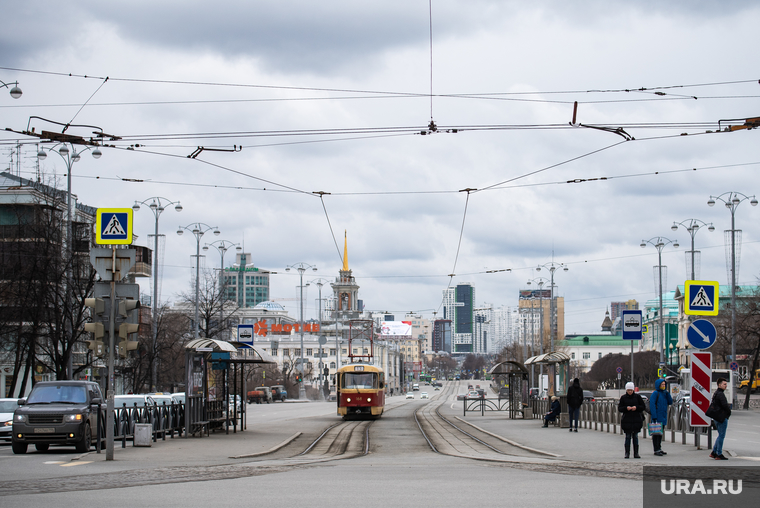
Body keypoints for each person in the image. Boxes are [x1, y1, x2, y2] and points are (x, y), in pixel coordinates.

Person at [618, 382, 645, 459]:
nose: (630, 392)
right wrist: (626, 408)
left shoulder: (637, 397)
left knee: (635, 437)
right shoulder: (623, 398)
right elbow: (620, 408)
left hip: (636, 419)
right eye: (628, 390)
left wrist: (636, 408)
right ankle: (627, 453)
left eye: (631, 390)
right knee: (628, 437)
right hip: (627, 420)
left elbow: (643, 406)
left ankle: (636, 453)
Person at [649, 377, 673, 456]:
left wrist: (668, 393)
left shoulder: (665, 393)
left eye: (664, 384)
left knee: (660, 433)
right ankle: (656, 449)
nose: (663, 386)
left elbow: (670, 402)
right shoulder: (656, 393)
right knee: (656, 434)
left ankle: (659, 447)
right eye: (662, 384)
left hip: (663, 416)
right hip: (657, 416)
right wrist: (654, 416)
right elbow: (652, 404)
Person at [710, 377, 732, 460]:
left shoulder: (716, 393)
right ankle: (719, 454)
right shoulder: (720, 394)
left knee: (720, 435)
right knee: (721, 436)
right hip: (721, 417)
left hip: (716, 417)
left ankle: (714, 452)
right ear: (719, 385)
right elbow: (725, 405)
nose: (726, 386)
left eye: (726, 384)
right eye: (724, 384)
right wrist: (728, 413)